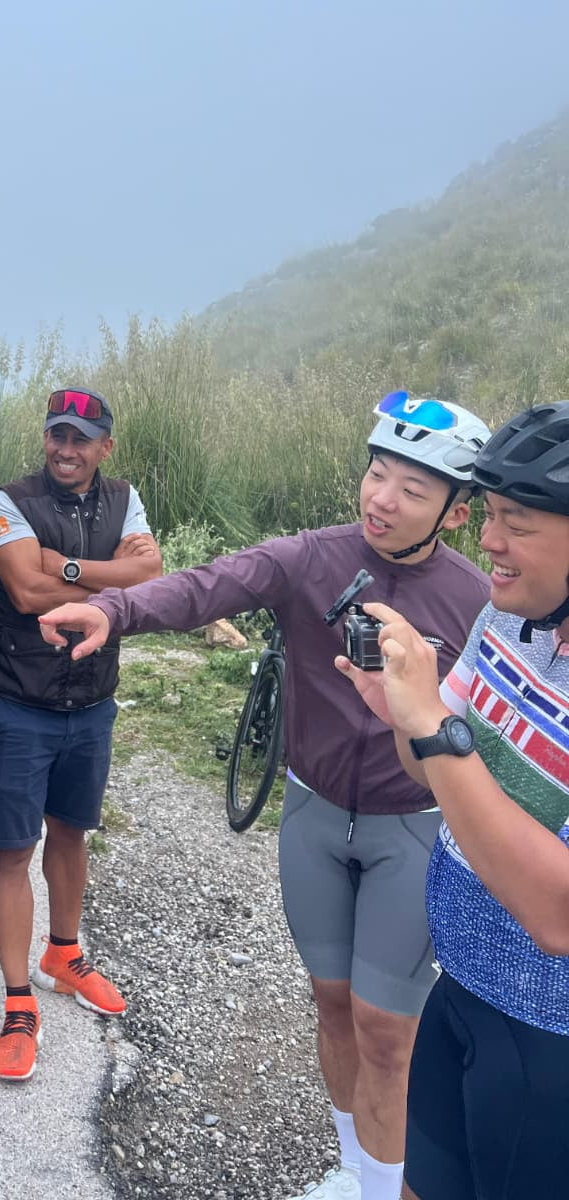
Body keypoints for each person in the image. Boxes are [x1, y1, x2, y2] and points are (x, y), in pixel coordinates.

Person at [39, 393, 492, 1200]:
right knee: (330, 1002)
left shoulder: (477, 600)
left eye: (413, 490)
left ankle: (393, 1189)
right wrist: (114, 608)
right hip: (313, 812)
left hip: (415, 825)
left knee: (388, 1032)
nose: (382, 499)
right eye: (377, 474)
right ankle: (356, 1169)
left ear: (455, 513)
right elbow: (211, 585)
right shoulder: (315, 557)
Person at [337, 402, 569, 1200]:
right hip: (461, 986)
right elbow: (432, 766)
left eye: (519, 524)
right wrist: (402, 713)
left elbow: (557, 913)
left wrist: (433, 722)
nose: (488, 542)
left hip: (550, 1046)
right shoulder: (510, 623)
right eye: (490, 514)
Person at [0, 386, 162, 1083]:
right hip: (22, 704)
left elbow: (149, 576)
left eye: (81, 438)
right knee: (13, 847)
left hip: (92, 702)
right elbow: (24, 595)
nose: (66, 448)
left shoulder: (127, 497)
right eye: (58, 434)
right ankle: (19, 1000)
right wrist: (109, 584)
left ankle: (64, 954)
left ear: (104, 448)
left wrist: (64, 567)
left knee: (70, 833)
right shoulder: (10, 499)